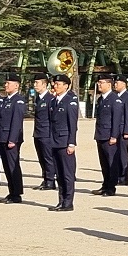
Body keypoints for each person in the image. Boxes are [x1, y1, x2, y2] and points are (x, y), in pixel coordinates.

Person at [47, 75, 81, 211]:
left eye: (58, 84)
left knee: (67, 173)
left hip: (65, 141)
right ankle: (61, 201)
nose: (55, 86)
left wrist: (71, 143)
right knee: (59, 174)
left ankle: (68, 202)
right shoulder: (53, 101)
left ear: (66, 86)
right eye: (55, 84)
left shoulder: (70, 101)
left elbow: (73, 124)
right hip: (55, 141)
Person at [92, 74, 127, 197]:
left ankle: (111, 188)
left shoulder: (115, 100)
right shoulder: (101, 99)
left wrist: (114, 136)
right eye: (99, 82)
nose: (99, 84)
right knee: (104, 163)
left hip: (109, 136)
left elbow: (116, 120)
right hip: (101, 134)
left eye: (101, 82)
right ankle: (105, 184)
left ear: (109, 84)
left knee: (111, 162)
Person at [0, 74, 27, 203]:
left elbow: (16, 122)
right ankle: (11, 191)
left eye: (9, 83)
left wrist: (12, 139)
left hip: (11, 139)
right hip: (3, 137)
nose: (6, 85)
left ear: (16, 86)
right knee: (7, 166)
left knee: (13, 166)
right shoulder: (5, 100)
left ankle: (17, 194)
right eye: (6, 83)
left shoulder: (18, 101)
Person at [31, 75, 56, 191]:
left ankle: (50, 180)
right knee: (41, 157)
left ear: (44, 84)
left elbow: (52, 118)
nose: (35, 85)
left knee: (47, 157)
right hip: (38, 132)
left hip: (46, 133)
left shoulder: (50, 99)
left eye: (37, 83)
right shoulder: (39, 98)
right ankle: (46, 178)